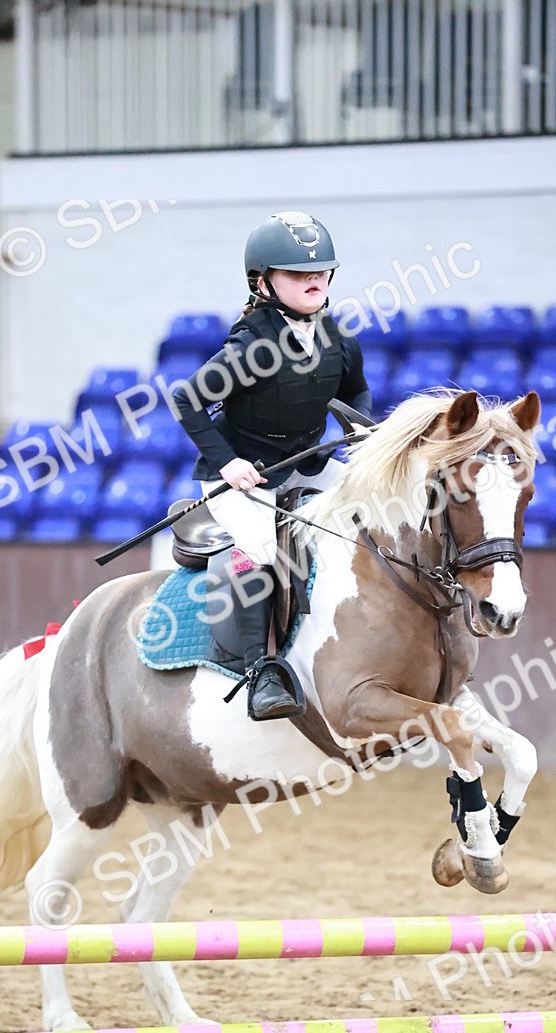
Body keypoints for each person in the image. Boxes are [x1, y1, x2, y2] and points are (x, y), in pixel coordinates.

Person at [171, 211, 372, 720]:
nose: (314, 281)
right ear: (263, 282)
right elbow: (187, 400)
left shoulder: (337, 337)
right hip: (245, 471)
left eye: (321, 271)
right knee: (260, 549)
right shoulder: (249, 346)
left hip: (307, 461)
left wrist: (359, 430)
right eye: (297, 273)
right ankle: (261, 669)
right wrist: (228, 463)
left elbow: (357, 391)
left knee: (375, 506)